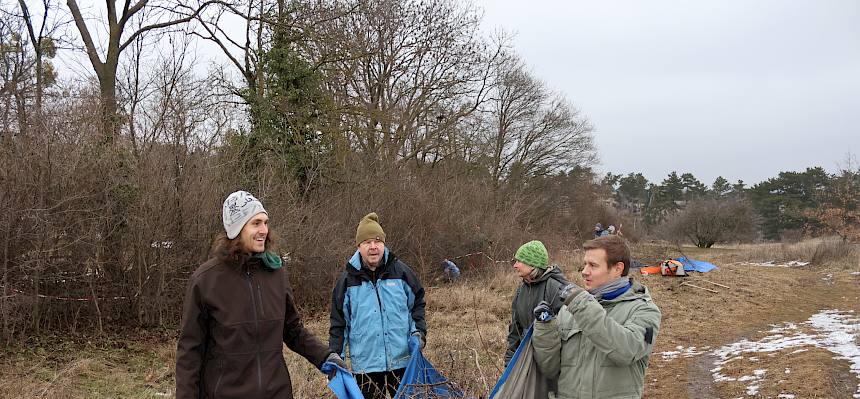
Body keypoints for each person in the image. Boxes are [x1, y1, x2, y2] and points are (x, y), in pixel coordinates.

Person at [175, 191, 347, 399]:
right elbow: (189, 352)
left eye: (266, 222)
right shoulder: (205, 281)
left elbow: (293, 330)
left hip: (277, 392)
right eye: (256, 223)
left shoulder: (276, 273)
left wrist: (325, 356)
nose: (264, 230)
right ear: (236, 229)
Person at [531, 235, 662, 399]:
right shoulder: (572, 308)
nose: (584, 271)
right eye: (585, 264)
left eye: (593, 265)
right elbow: (551, 369)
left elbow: (626, 351)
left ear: (617, 269)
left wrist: (581, 305)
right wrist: (546, 327)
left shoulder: (644, 310)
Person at [329, 212, 427, 399]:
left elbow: (418, 304)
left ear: (384, 244)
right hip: (366, 368)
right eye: (367, 242)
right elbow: (339, 325)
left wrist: (419, 332)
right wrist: (337, 360)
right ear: (359, 246)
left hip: (403, 364)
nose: (373, 247)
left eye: (377, 241)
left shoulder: (402, 273)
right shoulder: (346, 282)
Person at [505, 240, 568, 366]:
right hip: (526, 359)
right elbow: (516, 330)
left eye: (520, 261)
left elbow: (565, 332)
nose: (515, 265)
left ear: (533, 264)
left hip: (551, 363)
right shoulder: (521, 289)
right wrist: (509, 363)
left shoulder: (556, 288)